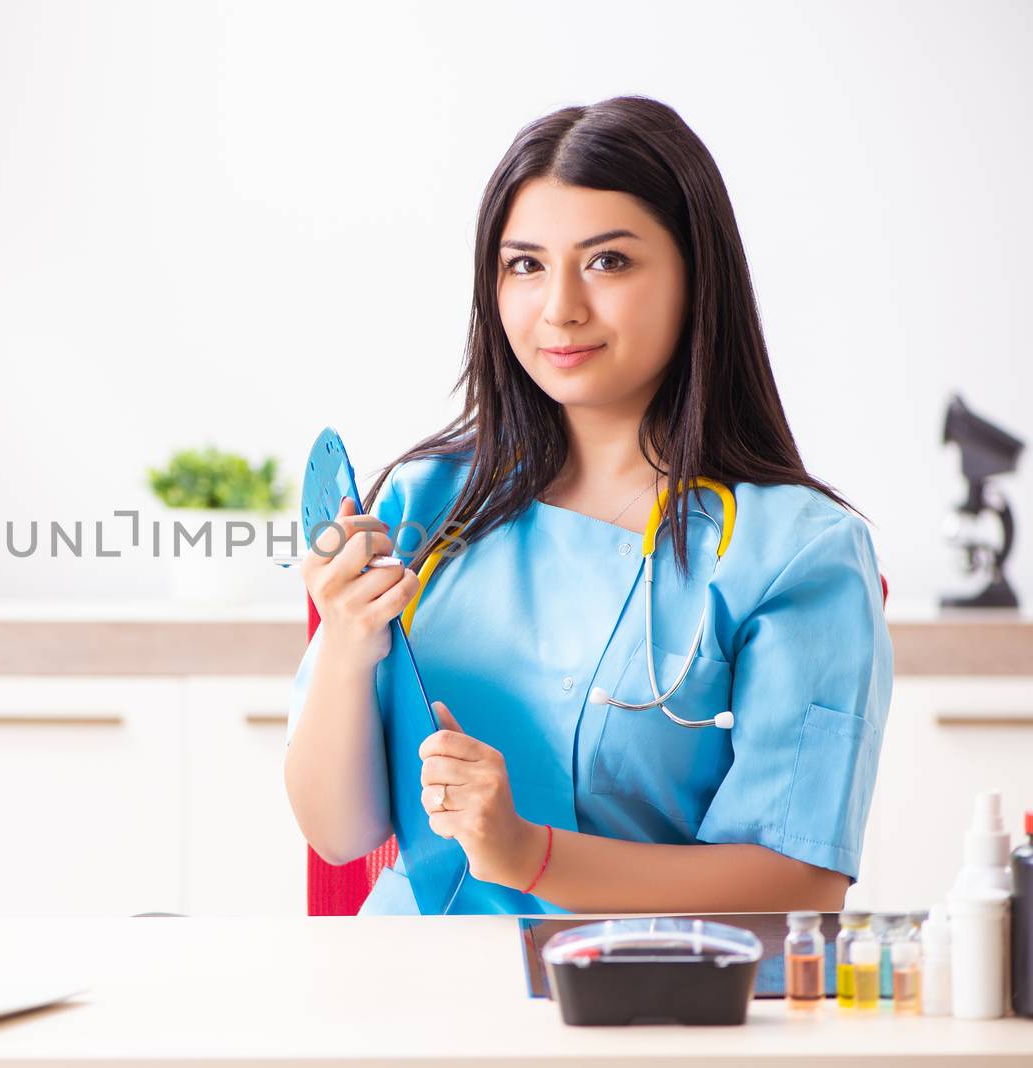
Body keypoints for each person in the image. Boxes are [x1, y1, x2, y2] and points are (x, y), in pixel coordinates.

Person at [284, 95, 892, 916]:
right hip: (405, 990)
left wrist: (530, 857)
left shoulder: (798, 552)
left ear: (694, 276)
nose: (560, 307)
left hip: (638, 1001)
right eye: (525, 265)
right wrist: (349, 643)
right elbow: (340, 835)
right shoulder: (423, 504)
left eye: (608, 262)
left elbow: (800, 882)